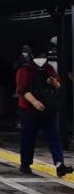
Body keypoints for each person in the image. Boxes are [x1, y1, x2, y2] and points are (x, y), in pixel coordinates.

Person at [15, 49, 74, 177]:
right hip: (29, 110)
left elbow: (59, 85)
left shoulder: (49, 69)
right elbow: (22, 90)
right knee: (28, 138)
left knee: (54, 137)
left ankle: (60, 165)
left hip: (48, 109)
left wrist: (55, 83)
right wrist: (35, 102)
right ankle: (25, 164)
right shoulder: (24, 70)